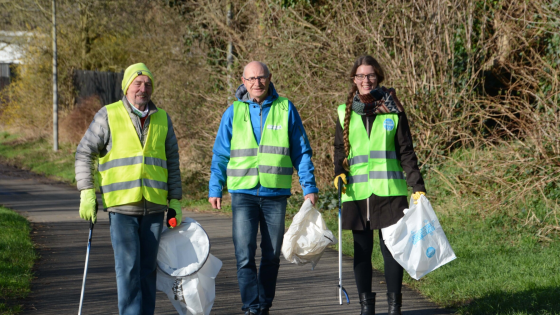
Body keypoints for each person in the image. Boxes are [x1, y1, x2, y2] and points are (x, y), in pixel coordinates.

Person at [208, 61, 318, 315]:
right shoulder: (233, 112)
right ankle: (251, 307)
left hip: (275, 194)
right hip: (242, 193)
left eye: (261, 77)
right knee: (244, 255)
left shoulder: (285, 108)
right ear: (243, 81)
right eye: (251, 78)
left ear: (269, 78)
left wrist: (308, 185)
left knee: (271, 256)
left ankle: (264, 305)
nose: (257, 83)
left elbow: (301, 151)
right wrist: (216, 187)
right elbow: (220, 154)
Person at [75, 63, 182, 315]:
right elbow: (84, 152)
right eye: (137, 83)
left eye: (147, 84)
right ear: (126, 86)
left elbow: (172, 163)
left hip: (155, 207)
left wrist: (175, 200)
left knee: (147, 271)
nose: (142, 89)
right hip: (121, 207)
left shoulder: (162, 118)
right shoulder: (108, 115)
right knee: (128, 269)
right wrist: (87, 191)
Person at [333, 55, 426, 315]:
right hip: (357, 192)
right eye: (361, 76)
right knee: (362, 252)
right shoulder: (344, 111)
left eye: (371, 75)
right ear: (354, 80)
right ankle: (367, 308)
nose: (366, 80)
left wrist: (417, 186)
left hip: (390, 192)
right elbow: (339, 150)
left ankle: (394, 308)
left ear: (378, 78)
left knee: (393, 251)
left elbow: (406, 151)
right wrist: (338, 172)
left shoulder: (394, 110)